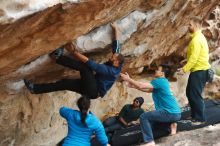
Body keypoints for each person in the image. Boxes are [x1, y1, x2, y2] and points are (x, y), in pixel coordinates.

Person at [24, 23, 124, 99]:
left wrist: (73, 51)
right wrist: (115, 29)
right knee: (64, 83)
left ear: (116, 63)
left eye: (113, 58)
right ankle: (35, 89)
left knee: (85, 68)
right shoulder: (117, 61)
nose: (111, 57)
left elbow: (92, 65)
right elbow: (117, 46)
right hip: (92, 90)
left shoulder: (111, 71)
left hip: (93, 90)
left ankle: (57, 57)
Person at [120, 65, 181, 146]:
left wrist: (129, 79)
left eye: (158, 70)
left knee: (144, 117)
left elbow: (141, 85)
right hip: (176, 113)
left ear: (162, 73)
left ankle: (150, 142)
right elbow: (148, 90)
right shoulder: (164, 81)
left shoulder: (159, 81)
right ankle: (171, 125)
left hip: (169, 112)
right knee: (152, 122)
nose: (155, 71)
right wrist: (134, 86)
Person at [178, 17, 210, 125]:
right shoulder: (198, 37)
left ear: (196, 26)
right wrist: (186, 61)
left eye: (190, 25)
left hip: (200, 71)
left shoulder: (197, 40)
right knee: (190, 93)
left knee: (195, 95)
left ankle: (200, 119)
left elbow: (194, 58)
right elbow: (196, 55)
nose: (188, 26)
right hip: (198, 70)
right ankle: (194, 116)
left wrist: (184, 69)